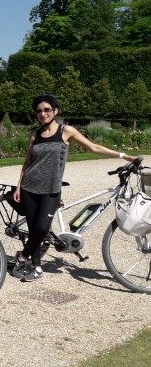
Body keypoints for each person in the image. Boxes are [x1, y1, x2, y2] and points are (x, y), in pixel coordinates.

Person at [13, 94, 137, 282]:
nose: (42, 113)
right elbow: (27, 162)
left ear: (55, 111)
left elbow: (92, 147)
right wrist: (18, 186)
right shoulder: (34, 134)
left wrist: (124, 156)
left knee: (41, 228)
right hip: (30, 186)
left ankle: (22, 256)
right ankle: (37, 266)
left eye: (47, 109)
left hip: (51, 189)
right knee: (34, 231)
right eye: (38, 111)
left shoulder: (66, 131)